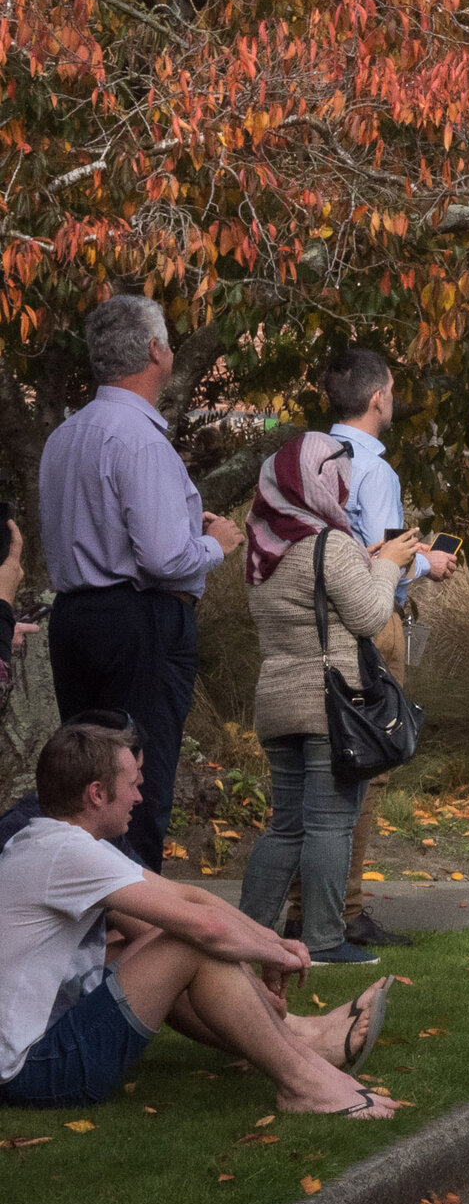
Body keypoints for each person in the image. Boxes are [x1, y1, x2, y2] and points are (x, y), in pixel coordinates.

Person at [1, 717, 395, 1120]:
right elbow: (205, 926)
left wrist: (273, 943)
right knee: (186, 942)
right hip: (36, 1072)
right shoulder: (66, 853)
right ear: (97, 794)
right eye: (133, 784)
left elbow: (190, 896)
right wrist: (278, 955)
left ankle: (305, 1060)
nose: (139, 796)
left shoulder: (48, 841)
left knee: (164, 939)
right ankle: (303, 1083)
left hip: (45, 1048)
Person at [41, 298, 233, 873]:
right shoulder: (140, 439)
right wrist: (220, 543)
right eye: (169, 340)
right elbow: (165, 556)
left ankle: (90, 916)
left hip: (75, 616)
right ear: (154, 350)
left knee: (85, 786)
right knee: (135, 782)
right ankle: (140, 928)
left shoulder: (65, 437)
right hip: (138, 619)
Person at [239, 432, 425, 969]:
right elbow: (369, 615)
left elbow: (312, 599)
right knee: (328, 825)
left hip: (276, 700)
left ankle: (248, 934)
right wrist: (388, 562)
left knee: (285, 826)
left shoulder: (263, 549)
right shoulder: (330, 543)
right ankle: (323, 940)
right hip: (331, 704)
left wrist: (364, 561)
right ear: (323, 481)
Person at [324, 346, 461, 945]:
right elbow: (382, 557)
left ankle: (316, 904)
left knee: (323, 768)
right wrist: (426, 562)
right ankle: (347, 910)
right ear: (378, 397)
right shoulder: (375, 468)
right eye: (393, 391)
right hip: (372, 620)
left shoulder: (313, 457)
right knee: (368, 760)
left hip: (320, 619)